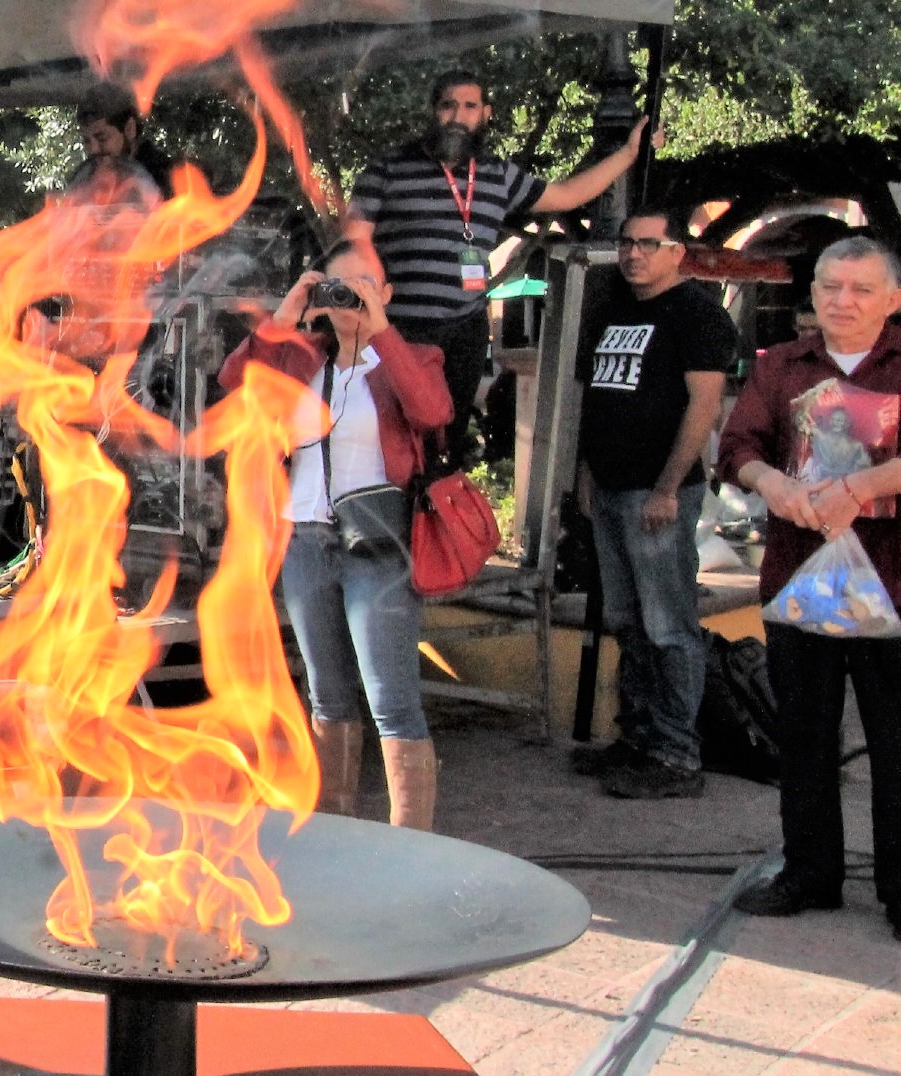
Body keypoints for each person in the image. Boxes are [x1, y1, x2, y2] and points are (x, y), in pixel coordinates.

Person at [223, 241, 453, 827]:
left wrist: (380, 332)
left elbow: (431, 411)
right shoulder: (304, 359)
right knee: (326, 692)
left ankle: (411, 843)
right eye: (336, 286)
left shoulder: (411, 357)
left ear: (387, 294)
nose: (346, 297)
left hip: (378, 546)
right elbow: (235, 381)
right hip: (306, 540)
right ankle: (336, 826)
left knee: (391, 700)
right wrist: (288, 314)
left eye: (363, 285)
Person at [717, 235, 901, 937]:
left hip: (893, 577)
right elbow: (739, 449)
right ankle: (809, 871)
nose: (842, 302)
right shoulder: (781, 366)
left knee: (895, 741)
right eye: (829, 286)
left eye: (859, 289)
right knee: (805, 735)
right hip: (802, 578)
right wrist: (776, 484)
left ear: (892, 298)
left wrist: (862, 484)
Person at [346, 71, 651, 463]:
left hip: (466, 327)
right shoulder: (388, 168)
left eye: (470, 106)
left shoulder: (497, 174)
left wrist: (627, 154)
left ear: (485, 114)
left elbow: (567, 195)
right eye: (448, 105)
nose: (458, 115)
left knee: (448, 443)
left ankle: (439, 517)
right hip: (401, 326)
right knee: (394, 434)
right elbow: (356, 235)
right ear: (433, 111)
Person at [570, 206, 738, 800]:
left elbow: (703, 408)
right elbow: (597, 400)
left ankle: (675, 754)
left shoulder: (697, 314)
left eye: (648, 243)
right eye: (627, 243)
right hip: (612, 488)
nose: (634, 253)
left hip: (658, 492)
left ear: (676, 252)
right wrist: (588, 474)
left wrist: (669, 488)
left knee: (668, 622)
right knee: (627, 620)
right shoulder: (616, 308)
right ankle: (637, 738)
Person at [63, 80, 171, 205]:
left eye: (102, 139)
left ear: (129, 129)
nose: (93, 149)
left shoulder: (168, 179)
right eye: (87, 141)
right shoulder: (85, 178)